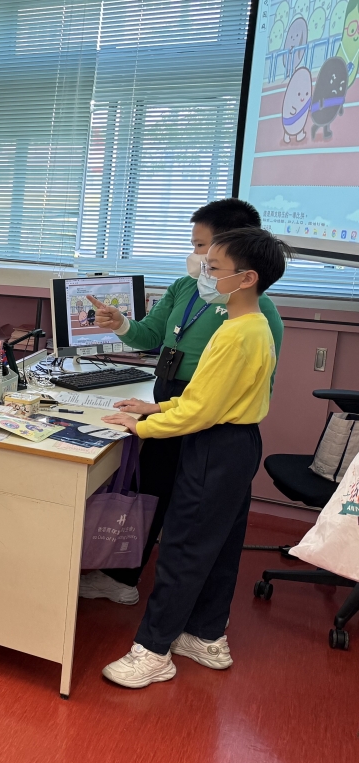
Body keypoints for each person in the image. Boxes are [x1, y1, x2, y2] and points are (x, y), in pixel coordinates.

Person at [99, 227, 289, 689]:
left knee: (183, 549)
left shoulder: (236, 334)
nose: (204, 274)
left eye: (213, 267)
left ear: (247, 278)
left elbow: (202, 411)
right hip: (238, 443)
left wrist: (142, 427)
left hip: (215, 446)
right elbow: (211, 394)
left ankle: (153, 651)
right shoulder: (249, 326)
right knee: (219, 545)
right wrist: (156, 407)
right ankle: (205, 636)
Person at [78, 199, 284, 606]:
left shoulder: (256, 314)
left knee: (195, 513)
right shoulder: (185, 287)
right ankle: (123, 577)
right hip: (169, 399)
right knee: (151, 489)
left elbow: (256, 384)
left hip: (208, 414)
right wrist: (121, 324)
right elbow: (150, 336)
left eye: (202, 246)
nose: (195, 255)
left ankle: (191, 609)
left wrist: (169, 415)